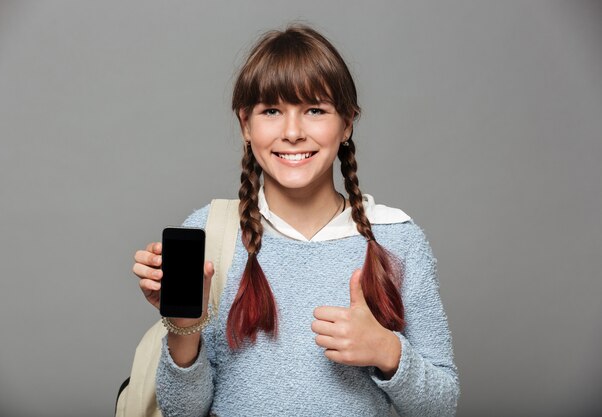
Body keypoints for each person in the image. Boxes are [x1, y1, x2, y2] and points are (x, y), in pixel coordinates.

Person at [133, 24, 459, 417]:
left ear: (347, 123)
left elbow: (441, 405)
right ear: (245, 125)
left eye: (315, 110)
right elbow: (182, 411)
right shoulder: (209, 233)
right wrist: (185, 324)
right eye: (272, 110)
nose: (292, 132)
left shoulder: (397, 239)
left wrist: (388, 352)